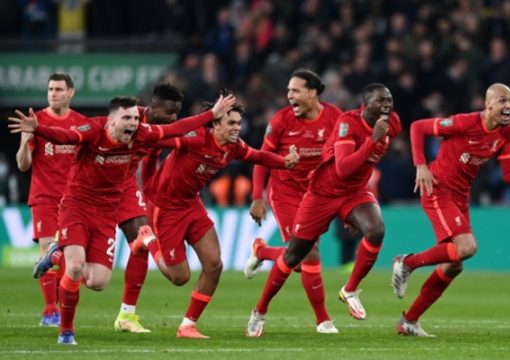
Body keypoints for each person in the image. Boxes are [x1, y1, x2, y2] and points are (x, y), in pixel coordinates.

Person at [9, 94, 235, 345]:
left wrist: (210, 114)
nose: (133, 123)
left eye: (135, 119)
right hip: (78, 204)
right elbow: (67, 137)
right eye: (127, 118)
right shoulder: (93, 129)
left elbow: (175, 129)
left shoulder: (142, 133)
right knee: (75, 268)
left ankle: (60, 257)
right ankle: (66, 331)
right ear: (111, 120)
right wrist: (38, 129)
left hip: (110, 203)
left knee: (98, 282)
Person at [391, 83, 510, 337]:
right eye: (503, 101)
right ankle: (407, 263)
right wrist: (420, 165)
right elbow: (417, 127)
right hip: (437, 188)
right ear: (488, 104)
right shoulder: (465, 123)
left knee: (454, 265)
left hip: (460, 196)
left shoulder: (505, 133)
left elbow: (508, 173)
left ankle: (409, 321)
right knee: (467, 248)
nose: (509, 106)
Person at [131, 99, 299, 339]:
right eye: (230, 122)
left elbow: (258, 156)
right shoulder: (194, 138)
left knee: (214, 265)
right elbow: (160, 138)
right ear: (214, 124)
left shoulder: (234, 147)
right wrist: (142, 133)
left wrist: (285, 162)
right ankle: (147, 239)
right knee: (180, 277)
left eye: (239, 123)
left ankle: (188, 325)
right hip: (165, 208)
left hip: (192, 205)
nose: (236, 128)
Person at [245, 83, 402, 337]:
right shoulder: (348, 124)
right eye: (381, 101)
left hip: (355, 193)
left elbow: (361, 170)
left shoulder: (392, 123)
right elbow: (343, 168)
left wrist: (351, 213)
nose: (387, 106)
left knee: (376, 230)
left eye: (390, 100)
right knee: (295, 257)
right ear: (365, 105)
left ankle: (349, 290)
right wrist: (371, 142)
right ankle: (260, 310)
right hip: (323, 193)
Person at [243, 69, 343, 334]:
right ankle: (322, 320)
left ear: (312, 93)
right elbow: (262, 158)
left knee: (301, 259)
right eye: (288, 91)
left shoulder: (336, 118)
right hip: (285, 192)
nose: (290, 96)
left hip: (318, 195)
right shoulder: (281, 121)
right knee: (306, 254)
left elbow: (344, 160)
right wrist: (257, 197)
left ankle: (262, 251)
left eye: (295, 90)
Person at [113, 83, 184, 333]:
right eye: (169, 112)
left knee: (141, 241)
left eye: (177, 113)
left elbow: (152, 158)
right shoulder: (129, 119)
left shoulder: (160, 131)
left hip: (126, 186)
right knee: (93, 277)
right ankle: (58, 253)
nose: (174, 118)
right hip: (97, 186)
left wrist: (149, 190)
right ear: (153, 108)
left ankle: (127, 315)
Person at [16, 73, 86, 327]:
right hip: (44, 196)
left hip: (74, 201)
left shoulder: (81, 124)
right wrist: (24, 142)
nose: (53, 93)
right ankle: (49, 310)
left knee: (71, 260)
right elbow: (23, 165)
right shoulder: (37, 122)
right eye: (50, 89)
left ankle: (57, 302)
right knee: (47, 248)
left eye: (58, 89)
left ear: (71, 93)